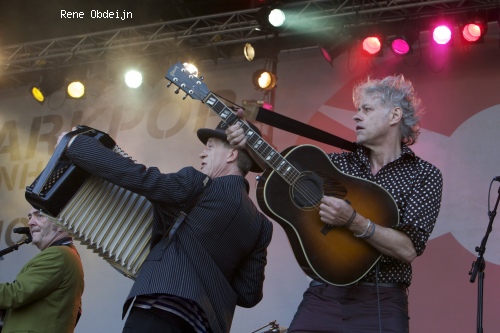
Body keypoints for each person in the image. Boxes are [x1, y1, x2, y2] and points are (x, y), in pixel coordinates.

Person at [226, 74, 443, 332]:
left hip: (382, 301)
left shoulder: (424, 174)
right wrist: (250, 141)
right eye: (357, 109)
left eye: (367, 109)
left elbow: (407, 250)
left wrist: (353, 221)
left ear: (394, 116)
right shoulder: (339, 164)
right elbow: (283, 173)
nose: (356, 116)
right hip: (324, 295)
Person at [59, 120, 273, 333]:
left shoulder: (198, 185)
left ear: (231, 154)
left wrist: (74, 144)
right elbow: (248, 294)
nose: (202, 154)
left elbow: (137, 176)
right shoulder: (262, 226)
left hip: (160, 309)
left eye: (210, 147)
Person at [0, 207, 84, 333]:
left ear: (61, 223)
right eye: (30, 217)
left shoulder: (58, 255)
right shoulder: (66, 253)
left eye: (39, 216)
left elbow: (14, 294)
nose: (30, 222)